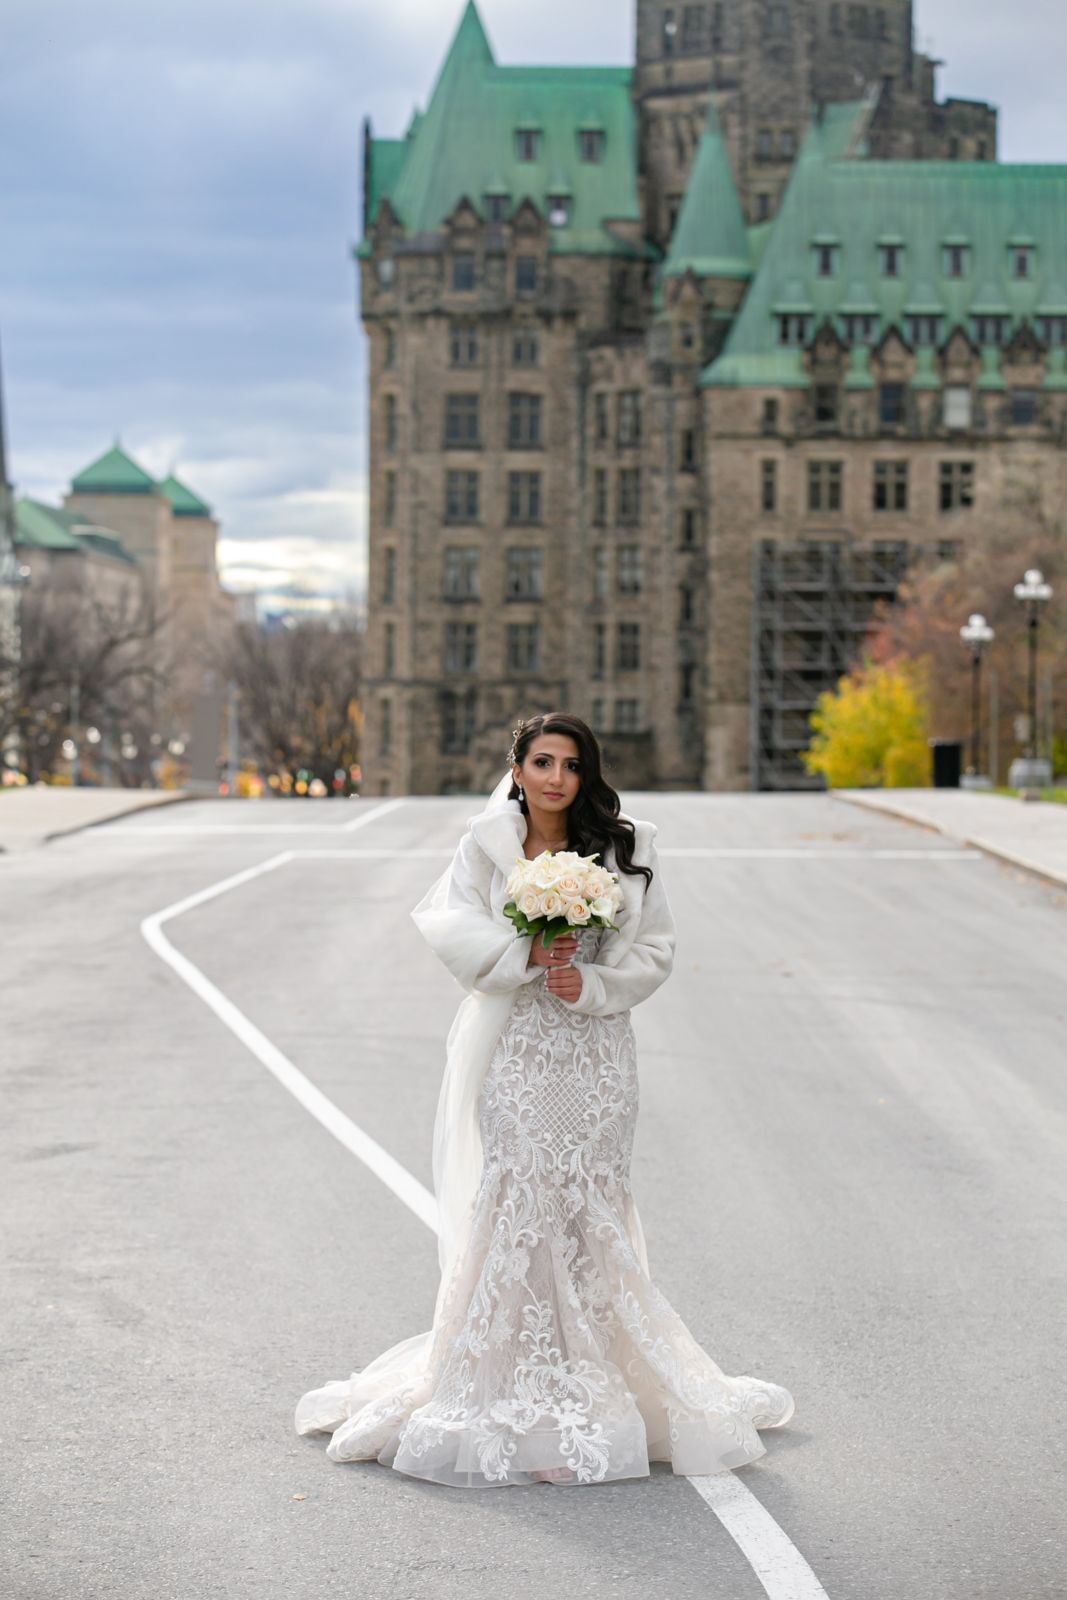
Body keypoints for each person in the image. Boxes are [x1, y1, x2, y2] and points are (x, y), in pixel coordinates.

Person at [294, 712, 795, 1487]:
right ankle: (500, 1381)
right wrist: (523, 951)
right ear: (518, 769)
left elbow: (656, 949)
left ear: (586, 774)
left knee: (588, 1203)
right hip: (519, 1050)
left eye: (570, 764)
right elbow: (450, 927)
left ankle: (595, 1375)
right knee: (521, 1194)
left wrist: (590, 981)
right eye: (542, 762)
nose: (556, 776)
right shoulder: (485, 844)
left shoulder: (628, 846)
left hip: (595, 1055)